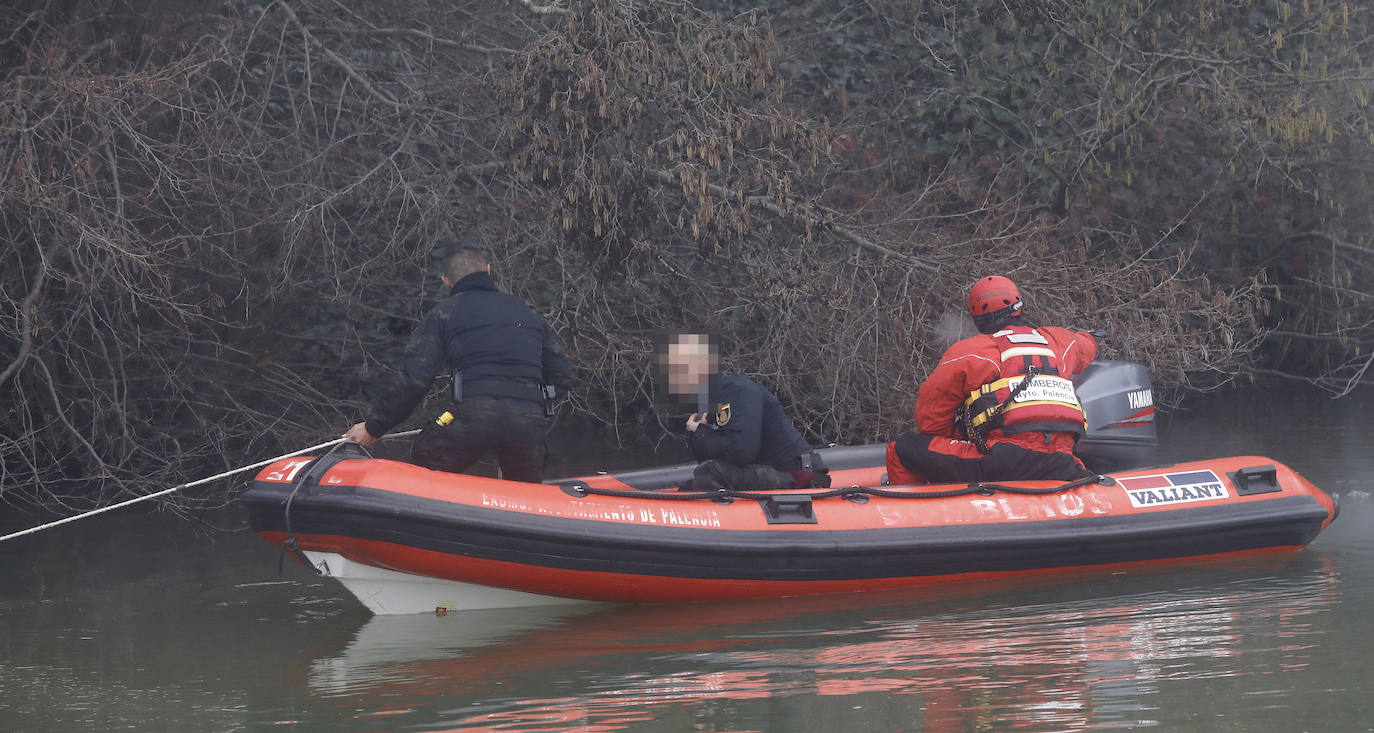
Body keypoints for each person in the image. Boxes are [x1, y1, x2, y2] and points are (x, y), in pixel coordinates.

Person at [343, 244, 574, 482]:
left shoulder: (444, 314)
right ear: (488, 270)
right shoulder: (529, 316)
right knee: (527, 494)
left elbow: (415, 380)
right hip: (527, 421)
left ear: (447, 282)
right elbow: (563, 377)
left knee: (425, 462)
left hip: (472, 415)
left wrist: (374, 427)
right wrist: (530, 404)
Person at [885, 276, 1098, 485]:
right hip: (1064, 463)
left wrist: (962, 436)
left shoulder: (969, 352)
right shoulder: (1059, 342)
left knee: (901, 448)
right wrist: (1092, 336)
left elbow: (931, 422)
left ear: (978, 319)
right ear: (1019, 307)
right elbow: (1087, 345)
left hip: (1001, 463)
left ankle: (919, 511)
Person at [660, 333, 829, 491]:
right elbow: (715, 457)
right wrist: (700, 433)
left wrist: (700, 433)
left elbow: (741, 452)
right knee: (701, 478)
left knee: (712, 472)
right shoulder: (711, 401)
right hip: (766, 474)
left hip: (797, 477)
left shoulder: (739, 392)